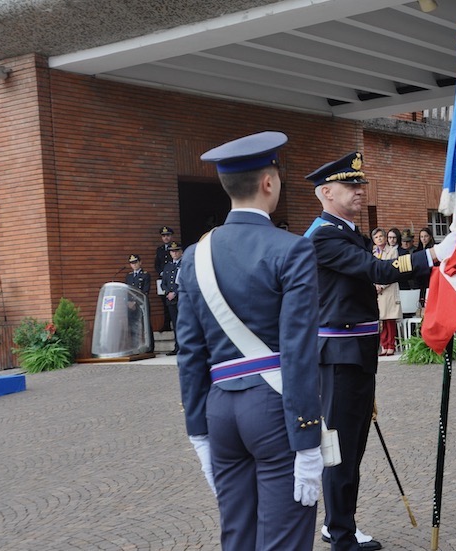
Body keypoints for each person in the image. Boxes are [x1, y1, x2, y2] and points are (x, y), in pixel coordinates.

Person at [177, 130, 324, 551]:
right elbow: (298, 352)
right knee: (284, 540)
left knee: (237, 536)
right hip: (275, 407)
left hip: (220, 407)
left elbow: (189, 351)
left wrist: (198, 432)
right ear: (268, 182)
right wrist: (307, 439)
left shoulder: (194, 256)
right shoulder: (292, 249)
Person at [304, 152, 456, 551]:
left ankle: (340, 521)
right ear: (326, 192)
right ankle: (340, 533)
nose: (359, 191)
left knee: (352, 445)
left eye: (360, 185)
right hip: (340, 354)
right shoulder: (324, 234)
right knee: (341, 447)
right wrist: (435, 254)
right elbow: (379, 271)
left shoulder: (344, 230)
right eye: (350, 186)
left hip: (354, 352)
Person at [371, 227, 402, 356]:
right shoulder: (374, 253)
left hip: (389, 288)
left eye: (381, 236)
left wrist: (382, 285)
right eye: (376, 237)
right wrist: (375, 285)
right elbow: (371, 270)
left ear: (385, 238)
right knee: (382, 319)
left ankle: (391, 345)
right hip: (378, 291)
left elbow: (393, 271)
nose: (379, 239)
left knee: (390, 319)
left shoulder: (392, 252)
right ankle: (383, 345)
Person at [161, 241, 183, 355]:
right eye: (172, 251)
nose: (174, 253)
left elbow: (185, 281)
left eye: (176, 251)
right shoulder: (168, 266)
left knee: (184, 323)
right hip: (171, 299)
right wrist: (168, 292)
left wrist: (175, 292)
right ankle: (177, 346)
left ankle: (185, 346)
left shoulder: (184, 264)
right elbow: (163, 283)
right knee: (175, 324)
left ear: (181, 252)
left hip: (181, 298)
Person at [155, 226, 175, 331]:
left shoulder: (175, 248)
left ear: (171, 236)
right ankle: (166, 324)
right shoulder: (160, 250)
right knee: (164, 303)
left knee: (175, 303)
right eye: (163, 236)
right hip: (163, 280)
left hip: (173, 280)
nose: (166, 238)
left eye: (167, 235)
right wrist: (161, 272)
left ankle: (175, 323)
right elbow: (157, 265)